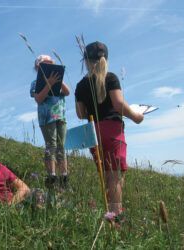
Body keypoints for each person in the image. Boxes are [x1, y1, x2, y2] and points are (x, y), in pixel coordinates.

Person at [74, 41, 144, 221]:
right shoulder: (111, 78)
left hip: (92, 132)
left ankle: (110, 212)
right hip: (112, 129)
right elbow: (118, 104)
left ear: (85, 60)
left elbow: (81, 114)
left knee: (106, 174)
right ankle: (116, 218)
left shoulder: (81, 85)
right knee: (115, 175)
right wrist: (136, 116)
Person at [30, 55, 71, 191]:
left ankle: (64, 177)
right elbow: (39, 99)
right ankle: (52, 176)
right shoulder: (35, 83)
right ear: (38, 68)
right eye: (44, 65)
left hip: (60, 117)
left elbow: (67, 92)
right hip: (47, 118)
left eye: (50, 64)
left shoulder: (58, 81)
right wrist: (49, 83)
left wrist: (58, 79)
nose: (48, 66)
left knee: (61, 146)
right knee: (51, 146)